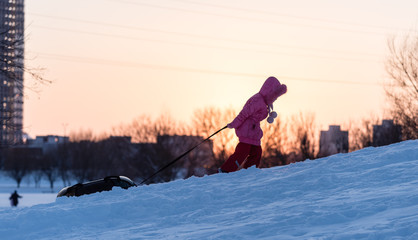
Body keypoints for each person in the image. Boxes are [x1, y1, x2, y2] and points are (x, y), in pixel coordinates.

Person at [219, 76, 287, 173]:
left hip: (253, 131)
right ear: (270, 92)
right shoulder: (257, 101)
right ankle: (225, 170)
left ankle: (249, 171)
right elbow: (244, 113)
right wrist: (233, 124)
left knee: (257, 152)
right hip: (246, 131)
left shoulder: (265, 102)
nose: (275, 99)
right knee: (242, 152)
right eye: (275, 96)